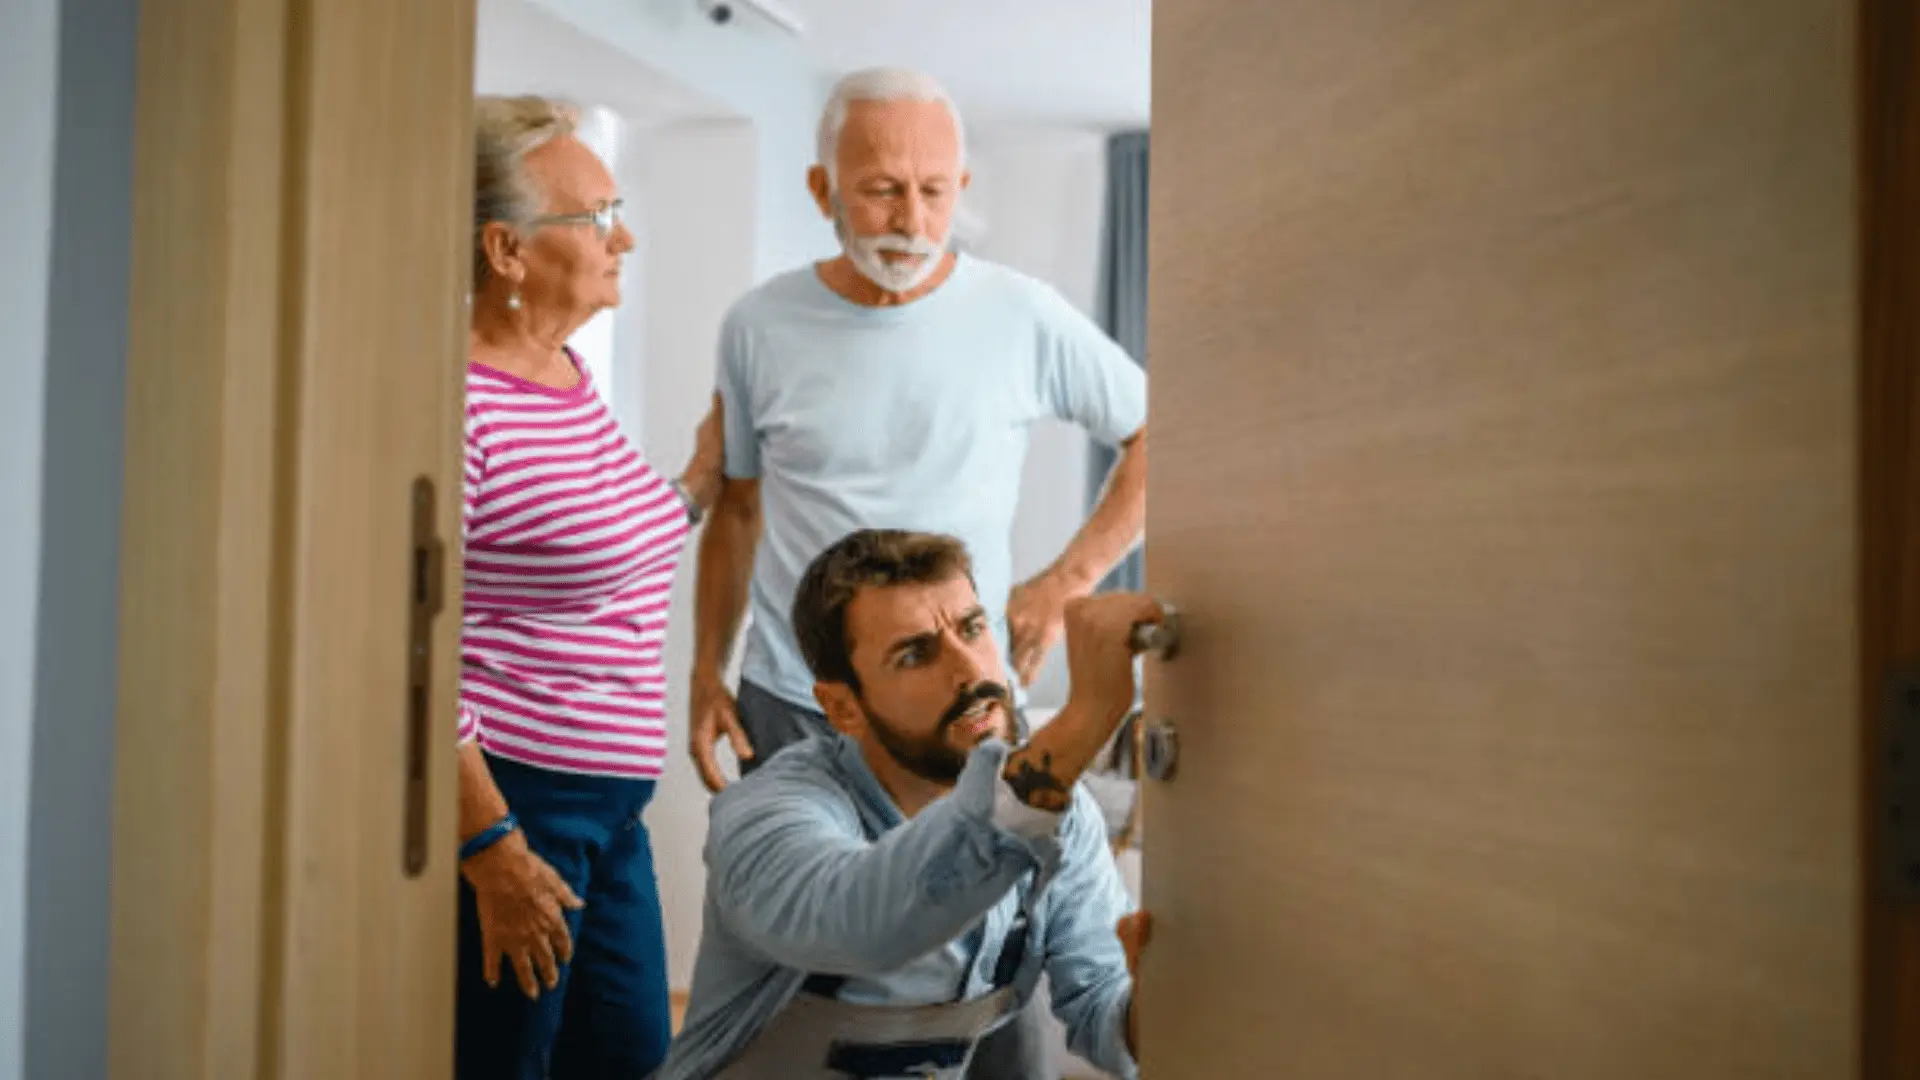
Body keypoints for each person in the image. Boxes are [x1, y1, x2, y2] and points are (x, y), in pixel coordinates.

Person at [657, 530, 1156, 1080]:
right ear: (842, 707)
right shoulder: (766, 815)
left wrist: (1159, 1006)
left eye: (972, 628)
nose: (970, 672)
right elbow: (865, 920)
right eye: (915, 654)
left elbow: (1102, 1011)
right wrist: (1080, 723)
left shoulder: (1064, 818)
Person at [454, 94, 725, 1080]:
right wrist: (489, 842)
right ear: (507, 249)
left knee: (628, 1055)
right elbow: (407, 644)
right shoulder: (457, 405)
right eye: (599, 215)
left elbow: (598, 543)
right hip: (518, 806)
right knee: (505, 1066)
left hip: (610, 807)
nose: (628, 238)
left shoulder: (562, 374)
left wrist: (700, 482)